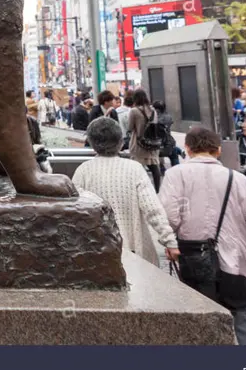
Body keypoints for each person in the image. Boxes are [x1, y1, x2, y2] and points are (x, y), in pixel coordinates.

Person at [159, 126, 246, 345]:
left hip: (192, 252)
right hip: (236, 256)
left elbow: (168, 217)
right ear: (218, 150)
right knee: (243, 310)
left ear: (188, 149)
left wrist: (170, 242)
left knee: (200, 312)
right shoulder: (238, 179)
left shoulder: (175, 175)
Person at [72, 118, 178, 265]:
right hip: (135, 248)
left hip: (99, 250)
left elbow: (76, 212)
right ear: (121, 142)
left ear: (91, 143)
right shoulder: (134, 169)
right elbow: (153, 209)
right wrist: (169, 241)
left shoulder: (83, 171)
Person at [127, 89, 162, 191]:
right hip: (152, 143)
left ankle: (141, 190)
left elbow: (129, 127)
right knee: (154, 166)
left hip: (138, 143)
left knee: (138, 168)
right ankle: (157, 190)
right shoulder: (153, 110)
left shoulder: (134, 111)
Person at [152, 100, 181, 169]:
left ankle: (162, 169)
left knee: (156, 157)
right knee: (174, 154)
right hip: (168, 144)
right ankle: (176, 169)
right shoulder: (168, 117)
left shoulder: (153, 119)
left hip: (156, 146)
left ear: (156, 109)